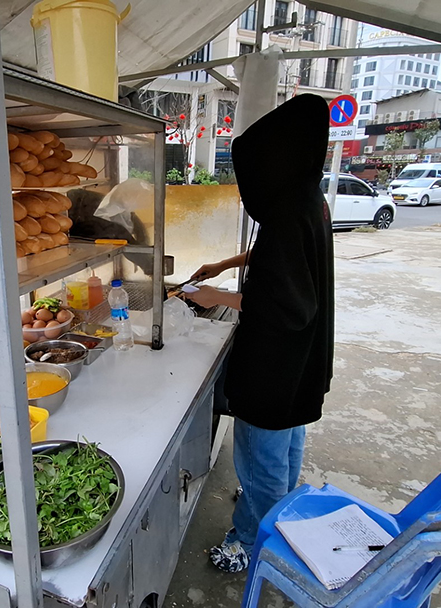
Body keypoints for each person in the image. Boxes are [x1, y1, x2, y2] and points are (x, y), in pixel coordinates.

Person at [186, 94, 335, 573]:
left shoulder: (288, 212)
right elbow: (283, 258)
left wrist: (217, 297)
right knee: (287, 442)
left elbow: (286, 307)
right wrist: (227, 263)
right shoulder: (306, 199)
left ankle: (252, 542)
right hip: (302, 363)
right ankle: (277, 508)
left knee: (261, 459)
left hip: (275, 365)